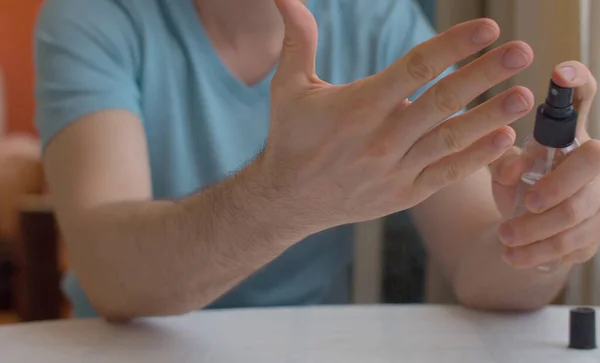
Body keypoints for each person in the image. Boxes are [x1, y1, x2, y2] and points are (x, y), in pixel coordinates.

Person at [35, 0, 600, 320]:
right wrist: (284, 200)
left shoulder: (380, 24)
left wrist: (542, 231)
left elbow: (481, 265)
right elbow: (109, 273)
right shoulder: (91, 17)